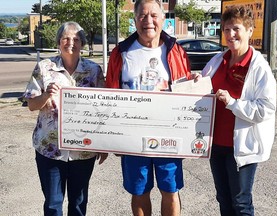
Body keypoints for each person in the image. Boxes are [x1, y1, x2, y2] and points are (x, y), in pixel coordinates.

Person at [105, 0, 191, 215]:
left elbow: (187, 93)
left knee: (170, 190)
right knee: (139, 191)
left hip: (169, 136)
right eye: (142, 16)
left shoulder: (176, 51)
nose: (148, 21)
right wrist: (113, 137)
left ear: (163, 19)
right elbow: (110, 95)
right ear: (135, 20)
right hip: (132, 138)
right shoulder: (121, 52)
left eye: (153, 15)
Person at [23, 21, 108, 216]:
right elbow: (31, 105)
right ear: (59, 42)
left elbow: (103, 108)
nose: (71, 42)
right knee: (53, 203)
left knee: (78, 202)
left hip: (83, 150)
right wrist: (45, 95)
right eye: (66, 38)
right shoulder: (44, 67)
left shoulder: (94, 70)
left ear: (82, 43)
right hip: (50, 149)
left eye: (76, 39)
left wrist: (104, 144)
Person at [200, 5, 277, 216]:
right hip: (216, 145)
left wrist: (233, 103)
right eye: (226, 29)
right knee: (223, 199)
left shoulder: (259, 68)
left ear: (249, 31)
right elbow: (204, 88)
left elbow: (266, 109)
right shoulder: (218, 60)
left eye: (236, 29)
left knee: (241, 203)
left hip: (241, 148)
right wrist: (197, 82)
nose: (231, 34)